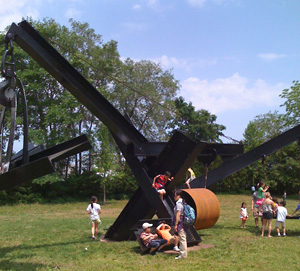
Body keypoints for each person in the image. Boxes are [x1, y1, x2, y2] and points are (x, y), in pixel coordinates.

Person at [173, 190, 187, 260]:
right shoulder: (182, 202)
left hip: (180, 221)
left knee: (182, 238)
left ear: (179, 196)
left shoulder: (179, 203)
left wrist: (176, 224)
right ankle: (183, 253)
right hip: (183, 221)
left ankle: (183, 255)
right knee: (183, 237)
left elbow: (178, 214)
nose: (174, 197)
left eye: (175, 195)